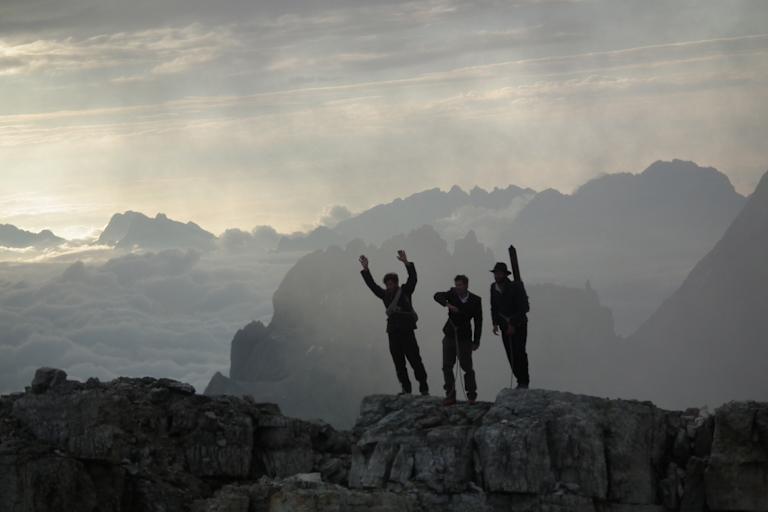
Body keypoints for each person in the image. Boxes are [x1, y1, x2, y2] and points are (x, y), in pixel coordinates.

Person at [359, 250, 429, 396]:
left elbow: (413, 279)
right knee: (398, 362)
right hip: (393, 332)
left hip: (407, 331)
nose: (389, 286)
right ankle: (406, 389)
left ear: (396, 283)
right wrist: (366, 269)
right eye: (387, 284)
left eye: (391, 283)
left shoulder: (405, 291)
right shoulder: (384, 295)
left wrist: (407, 263)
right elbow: (372, 285)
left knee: (415, 360)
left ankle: (423, 387)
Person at [434, 275, 482, 405]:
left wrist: (476, 341)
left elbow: (478, 321)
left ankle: (471, 395)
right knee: (447, 366)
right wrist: (448, 305)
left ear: (466, 285)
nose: (458, 287)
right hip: (450, 334)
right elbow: (437, 295)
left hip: (465, 338)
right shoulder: (452, 294)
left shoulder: (475, 300)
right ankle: (450, 395)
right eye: (456, 285)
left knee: (467, 367)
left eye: (460, 285)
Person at [490, 262, 530, 389]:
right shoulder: (493, 287)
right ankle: (519, 379)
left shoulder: (516, 286)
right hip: (503, 326)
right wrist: (495, 323)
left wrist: (512, 324)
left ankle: (524, 381)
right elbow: (494, 307)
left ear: (505, 274)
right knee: (510, 354)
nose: (497, 276)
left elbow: (524, 307)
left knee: (519, 352)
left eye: (499, 273)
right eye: (496, 273)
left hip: (519, 325)